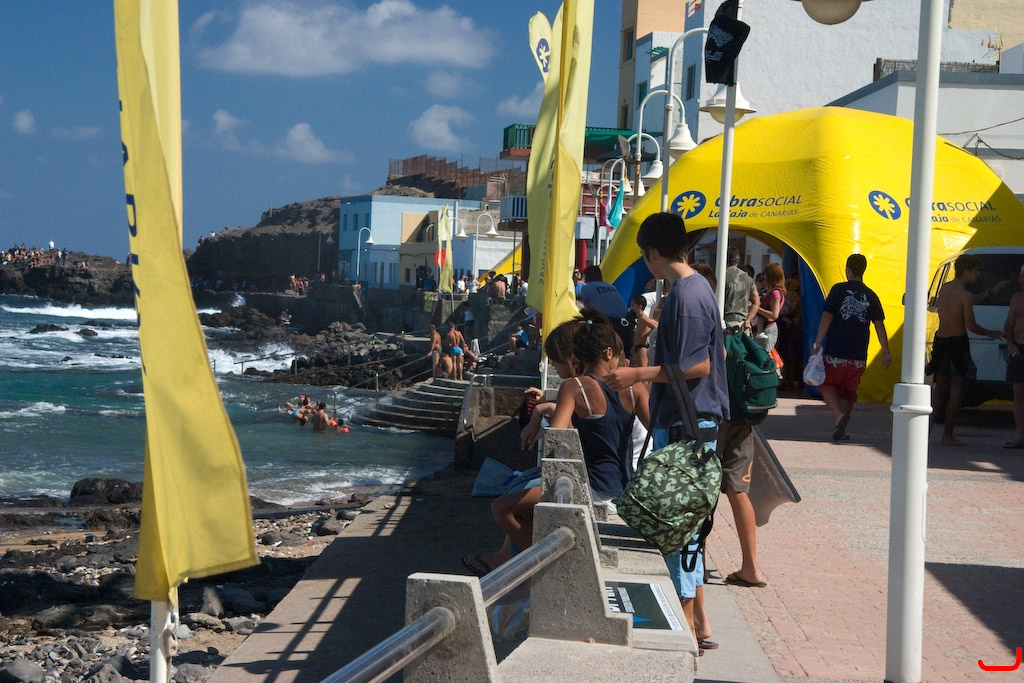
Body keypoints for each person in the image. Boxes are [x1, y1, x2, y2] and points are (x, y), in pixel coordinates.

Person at [604, 211, 729, 653]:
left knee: (674, 526)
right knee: (687, 526)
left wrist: (636, 374)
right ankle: (699, 624)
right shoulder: (696, 289)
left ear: (653, 251)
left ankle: (686, 627)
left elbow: (700, 366)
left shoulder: (686, 296)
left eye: (644, 255)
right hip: (692, 421)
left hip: (687, 424)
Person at [462, 310, 647, 577]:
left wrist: (550, 412)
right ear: (608, 353)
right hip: (623, 487)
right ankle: (524, 563)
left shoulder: (574, 387)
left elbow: (558, 435)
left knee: (501, 508)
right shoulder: (634, 388)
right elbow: (655, 429)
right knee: (522, 498)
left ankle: (544, 568)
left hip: (591, 488)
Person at [811, 254, 892, 442]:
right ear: (863, 270)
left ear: (848, 269)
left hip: (836, 350)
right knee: (848, 391)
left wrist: (818, 341)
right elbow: (879, 325)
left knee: (827, 384)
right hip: (858, 355)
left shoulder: (838, 290)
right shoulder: (871, 295)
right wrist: (886, 352)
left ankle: (838, 416)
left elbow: (827, 316)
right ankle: (840, 428)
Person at [930, 254, 1005, 446]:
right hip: (957, 343)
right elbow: (971, 325)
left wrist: (990, 292)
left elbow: (967, 301)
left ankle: (925, 432)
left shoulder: (946, 289)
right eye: (976, 271)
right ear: (966, 271)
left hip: (941, 342)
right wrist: (990, 333)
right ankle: (948, 435)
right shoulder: (965, 295)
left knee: (939, 389)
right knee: (957, 389)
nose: (978, 275)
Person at [577, 265, 632, 358]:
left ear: (586, 278)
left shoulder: (587, 288)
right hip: (624, 322)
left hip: (606, 321)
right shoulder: (611, 286)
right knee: (621, 353)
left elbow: (584, 308)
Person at [1002, 264, 1024, 449]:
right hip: (1019, 349)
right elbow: (1008, 324)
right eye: (1021, 275)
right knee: (1018, 395)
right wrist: (1010, 344)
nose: (1021, 279)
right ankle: (1021, 437)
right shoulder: (1017, 298)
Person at [722, 247, 760, 334]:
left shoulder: (720, 275)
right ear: (738, 260)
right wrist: (748, 320)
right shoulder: (748, 278)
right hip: (742, 324)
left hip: (725, 323)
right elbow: (757, 302)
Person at [754, 262, 786, 352]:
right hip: (764, 328)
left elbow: (774, 315)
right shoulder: (771, 291)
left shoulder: (775, 293)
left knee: (763, 356)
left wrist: (756, 308)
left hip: (768, 329)